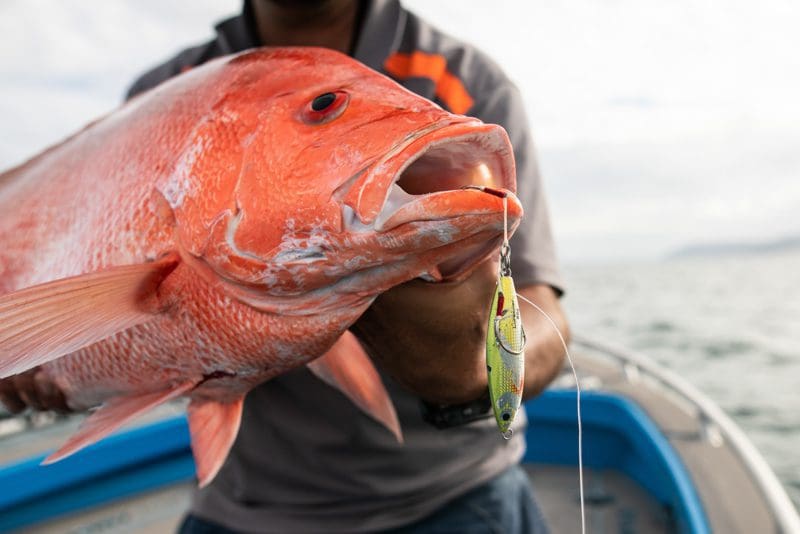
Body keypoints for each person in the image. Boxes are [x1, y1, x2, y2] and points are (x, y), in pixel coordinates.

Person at [0, 1, 569, 532]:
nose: (327, 111)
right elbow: (91, 306)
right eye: (323, 107)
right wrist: (27, 348)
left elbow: (546, 315)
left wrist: (485, 370)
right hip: (246, 507)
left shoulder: (467, 81)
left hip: (457, 496)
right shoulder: (165, 90)